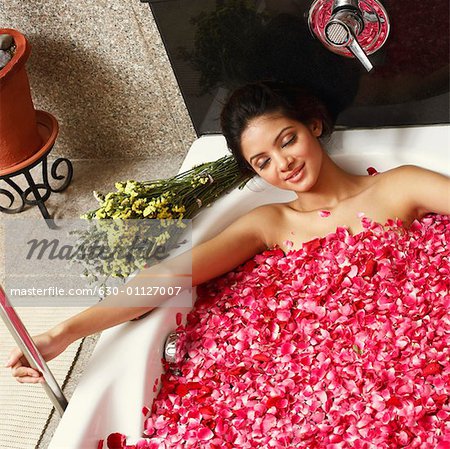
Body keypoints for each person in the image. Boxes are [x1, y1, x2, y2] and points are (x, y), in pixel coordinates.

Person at [7, 81, 450, 384]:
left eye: (287, 139)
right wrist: (61, 333)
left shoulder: (398, 186)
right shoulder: (271, 224)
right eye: (262, 162)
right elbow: (169, 276)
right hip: (321, 378)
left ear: (313, 126)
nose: (283, 164)